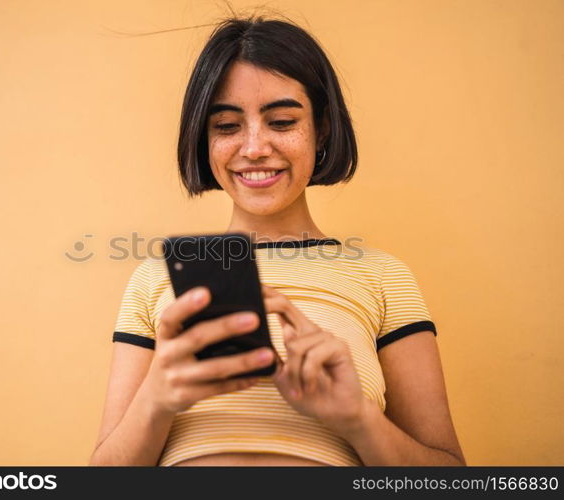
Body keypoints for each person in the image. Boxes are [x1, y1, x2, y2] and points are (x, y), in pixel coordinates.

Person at [89, 15, 466, 466]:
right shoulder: (153, 280)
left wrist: (357, 419)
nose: (253, 148)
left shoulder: (382, 276)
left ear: (322, 128)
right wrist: (157, 398)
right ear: (203, 138)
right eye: (226, 126)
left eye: (282, 121)